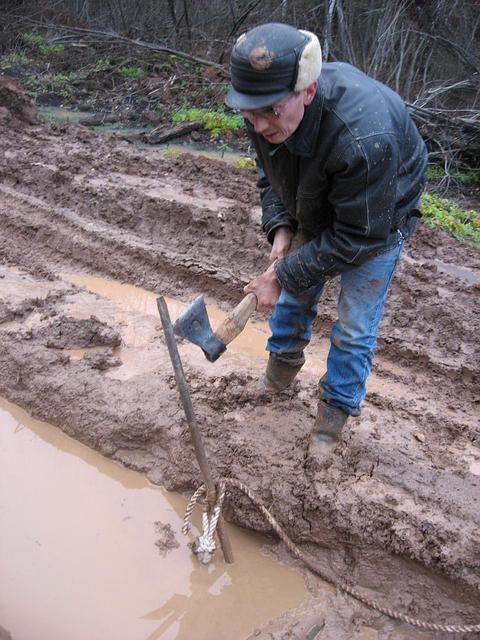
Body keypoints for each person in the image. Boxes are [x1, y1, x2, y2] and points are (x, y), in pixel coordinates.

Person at [225, 23, 428, 460]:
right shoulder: (264, 106)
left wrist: (281, 274)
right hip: (318, 191)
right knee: (294, 293)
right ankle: (277, 379)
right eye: (250, 115)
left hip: (378, 214)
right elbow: (271, 176)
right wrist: (282, 229)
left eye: (270, 113)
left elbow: (358, 236)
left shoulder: (364, 135)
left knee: (354, 325)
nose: (259, 126)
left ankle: (331, 420)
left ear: (308, 91)